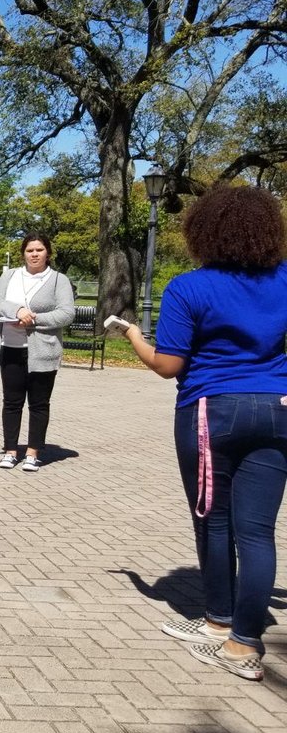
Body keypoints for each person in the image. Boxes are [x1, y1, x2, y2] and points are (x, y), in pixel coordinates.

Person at [124, 185, 287, 683]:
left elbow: (169, 365)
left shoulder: (189, 287)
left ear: (205, 231)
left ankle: (223, 626)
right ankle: (241, 637)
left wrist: (134, 336)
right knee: (257, 531)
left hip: (212, 411)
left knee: (214, 521)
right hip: (278, 411)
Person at [0, 234, 75, 471]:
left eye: (39, 250)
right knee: (11, 402)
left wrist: (34, 319)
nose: (34, 254)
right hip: (11, 347)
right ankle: (10, 450)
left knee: (38, 403)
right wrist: (17, 310)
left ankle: (33, 452)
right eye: (29, 250)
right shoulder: (10, 275)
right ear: (23, 254)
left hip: (42, 351)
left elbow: (67, 313)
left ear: (48, 253)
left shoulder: (58, 280)